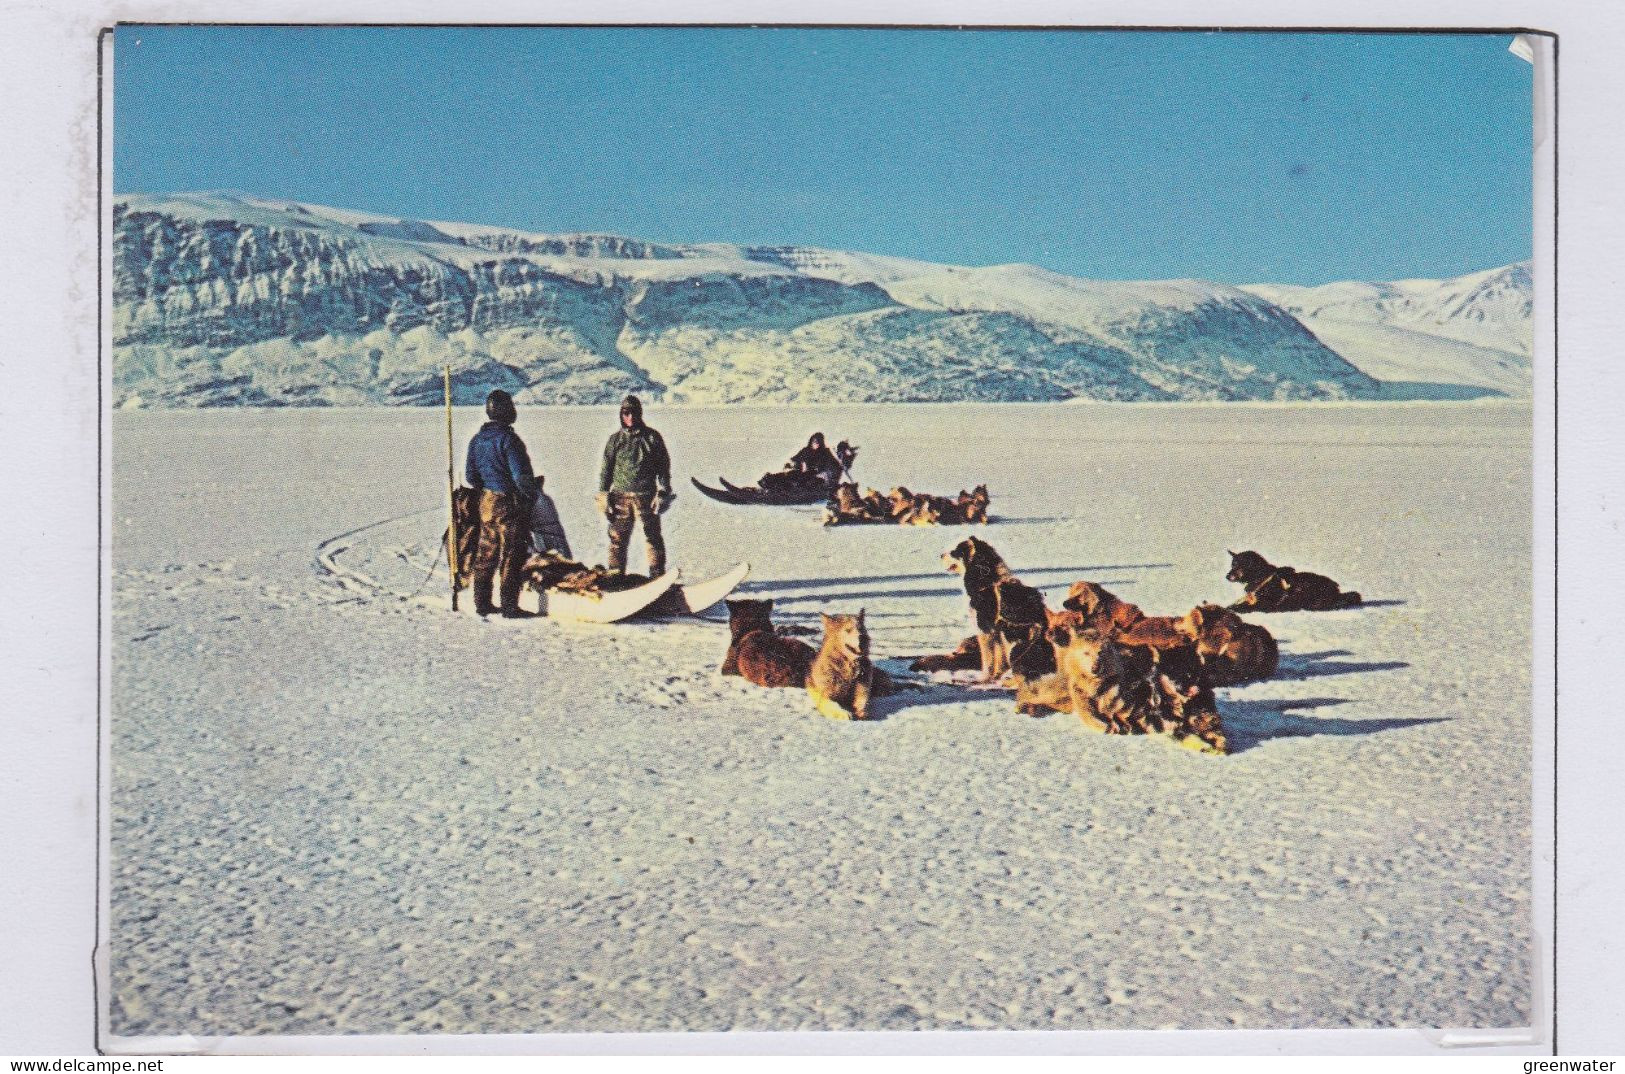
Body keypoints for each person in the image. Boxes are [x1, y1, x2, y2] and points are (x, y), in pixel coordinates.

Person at [465, 389, 539, 618]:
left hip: (486, 502)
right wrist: (529, 494)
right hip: (508, 503)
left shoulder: (477, 440)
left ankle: (482, 603)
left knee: (486, 552)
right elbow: (520, 476)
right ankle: (509, 606)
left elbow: (471, 476)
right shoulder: (509, 440)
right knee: (511, 554)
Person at [597, 395, 673, 577]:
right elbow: (606, 468)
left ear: (640, 414)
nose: (630, 417)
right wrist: (603, 494)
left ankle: (657, 575)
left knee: (652, 538)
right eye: (626, 413)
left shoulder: (652, 438)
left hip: (646, 497)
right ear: (621, 415)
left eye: (634, 413)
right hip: (620, 497)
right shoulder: (615, 440)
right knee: (617, 539)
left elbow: (663, 467)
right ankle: (615, 575)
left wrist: (663, 491)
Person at [761, 432, 843, 493]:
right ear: (811, 441)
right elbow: (794, 459)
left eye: (818, 442)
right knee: (788, 475)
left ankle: (782, 489)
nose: (816, 444)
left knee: (803, 481)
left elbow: (832, 465)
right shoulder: (805, 450)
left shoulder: (824, 452)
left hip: (814, 475)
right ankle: (768, 481)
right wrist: (790, 464)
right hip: (800, 473)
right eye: (814, 442)